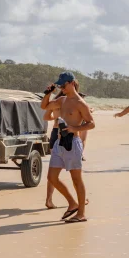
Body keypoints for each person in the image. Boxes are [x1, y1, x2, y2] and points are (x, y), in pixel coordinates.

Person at [41, 71, 95, 223]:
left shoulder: (80, 103)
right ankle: (72, 203)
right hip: (59, 143)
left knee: (76, 179)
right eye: (60, 86)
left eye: (63, 85)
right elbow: (44, 106)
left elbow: (91, 124)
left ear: (72, 83)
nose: (62, 88)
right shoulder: (62, 100)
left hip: (73, 143)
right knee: (51, 177)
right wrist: (48, 93)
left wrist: (74, 129)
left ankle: (81, 213)